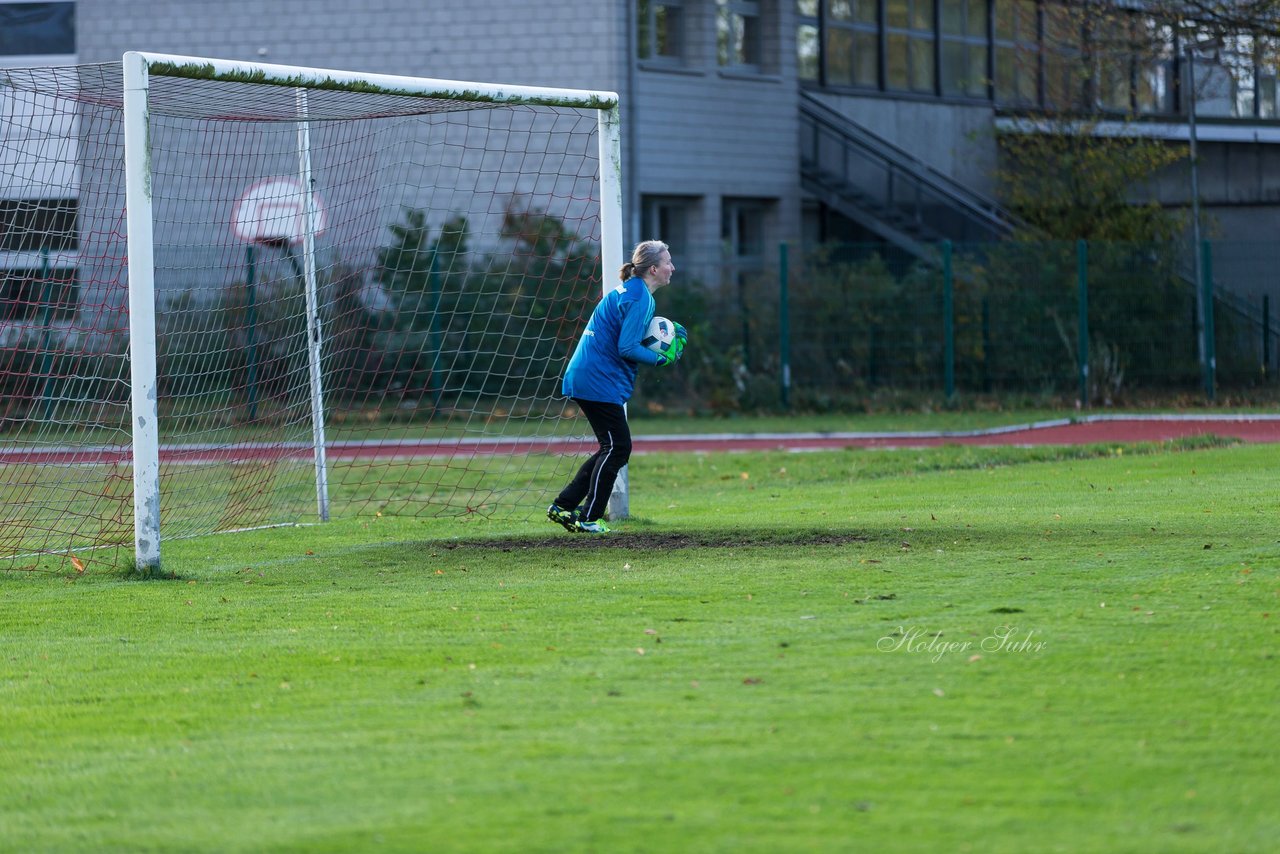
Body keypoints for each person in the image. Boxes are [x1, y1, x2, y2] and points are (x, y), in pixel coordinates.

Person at [548, 239, 687, 534]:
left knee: (610, 448)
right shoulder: (641, 298)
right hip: (597, 380)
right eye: (668, 262)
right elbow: (627, 347)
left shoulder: (634, 291)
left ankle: (563, 506)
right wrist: (660, 360)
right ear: (653, 268)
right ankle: (588, 517)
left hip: (589, 376)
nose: (672, 267)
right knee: (619, 447)